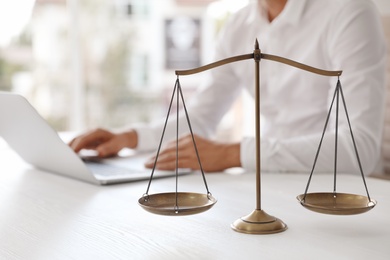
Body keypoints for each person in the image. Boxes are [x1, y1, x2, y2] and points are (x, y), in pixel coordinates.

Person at [69, 0, 387, 175]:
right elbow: (201, 117)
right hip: (269, 183)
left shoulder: (350, 11)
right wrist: (130, 137)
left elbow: (359, 150)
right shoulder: (239, 25)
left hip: (340, 192)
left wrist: (232, 154)